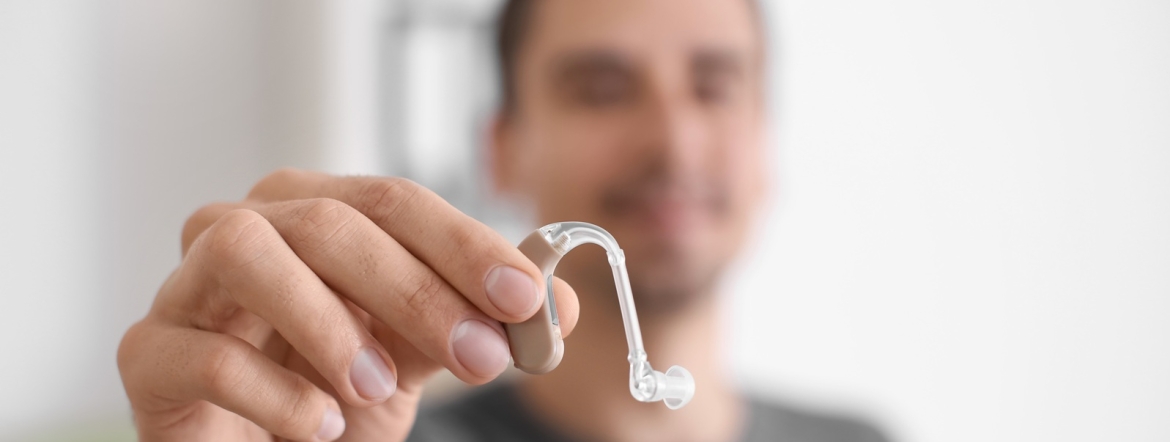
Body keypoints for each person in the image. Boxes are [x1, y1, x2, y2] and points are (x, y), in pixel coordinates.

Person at [117, 0, 889, 441]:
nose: (675, 143)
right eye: (603, 88)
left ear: (764, 142)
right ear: (504, 150)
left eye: (714, 86)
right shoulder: (358, 431)